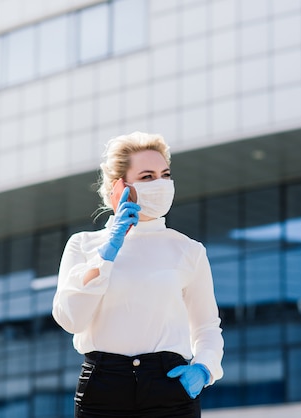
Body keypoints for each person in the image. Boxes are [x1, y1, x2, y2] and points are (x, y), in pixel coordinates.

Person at [52, 132, 224, 417]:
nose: (160, 184)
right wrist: (108, 251)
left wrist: (204, 369)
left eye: (165, 175)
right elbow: (70, 318)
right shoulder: (83, 244)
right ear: (119, 187)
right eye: (147, 177)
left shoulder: (188, 250)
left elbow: (206, 326)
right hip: (103, 387)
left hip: (170, 386)